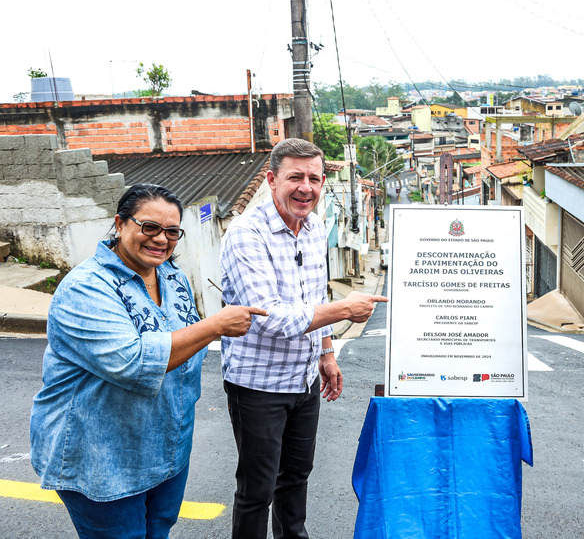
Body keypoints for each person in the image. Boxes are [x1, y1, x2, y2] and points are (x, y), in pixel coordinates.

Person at [30, 183, 267, 539]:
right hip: (101, 456)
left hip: (166, 447)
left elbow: (187, 350)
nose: (161, 239)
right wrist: (214, 326)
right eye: (149, 227)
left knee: (158, 532)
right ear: (120, 224)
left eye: (172, 231)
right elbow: (133, 362)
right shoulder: (86, 287)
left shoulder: (172, 276)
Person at [219, 138, 388, 539]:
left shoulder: (313, 227)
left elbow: (315, 296)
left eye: (314, 178)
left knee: (296, 477)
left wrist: (327, 353)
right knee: (257, 490)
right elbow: (271, 317)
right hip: (257, 383)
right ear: (271, 179)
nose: (305, 187)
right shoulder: (247, 234)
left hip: (303, 379)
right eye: (295, 177)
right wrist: (347, 309)